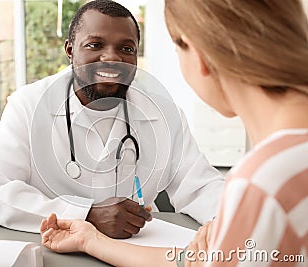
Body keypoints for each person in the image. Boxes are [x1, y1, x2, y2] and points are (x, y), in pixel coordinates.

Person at [40, 0, 308, 266]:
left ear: (200, 55)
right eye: (95, 45)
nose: (111, 58)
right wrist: (91, 238)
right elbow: (199, 262)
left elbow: (201, 194)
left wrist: (232, 221)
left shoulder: (262, 185)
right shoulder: (282, 170)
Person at [0, 0, 224, 238]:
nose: (112, 58)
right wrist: (86, 215)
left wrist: (246, 224)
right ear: (70, 50)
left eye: (126, 49)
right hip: (52, 247)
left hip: (137, 245)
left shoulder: (164, 114)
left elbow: (201, 188)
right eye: (95, 45)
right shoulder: (28, 105)